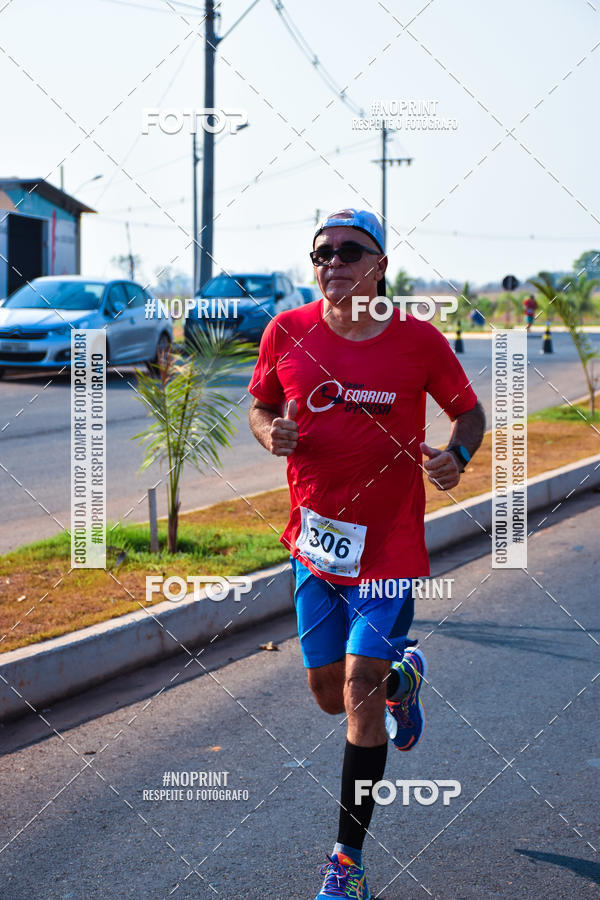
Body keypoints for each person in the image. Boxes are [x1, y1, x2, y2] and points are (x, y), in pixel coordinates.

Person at [248, 208, 486, 899]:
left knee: (358, 692)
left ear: (380, 265)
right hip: (315, 550)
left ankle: (345, 867)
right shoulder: (286, 332)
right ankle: (405, 682)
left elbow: (467, 412)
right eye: (322, 253)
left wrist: (458, 456)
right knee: (328, 696)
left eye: (350, 252)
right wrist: (270, 434)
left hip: (388, 549)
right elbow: (260, 404)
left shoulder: (416, 341)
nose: (333, 263)